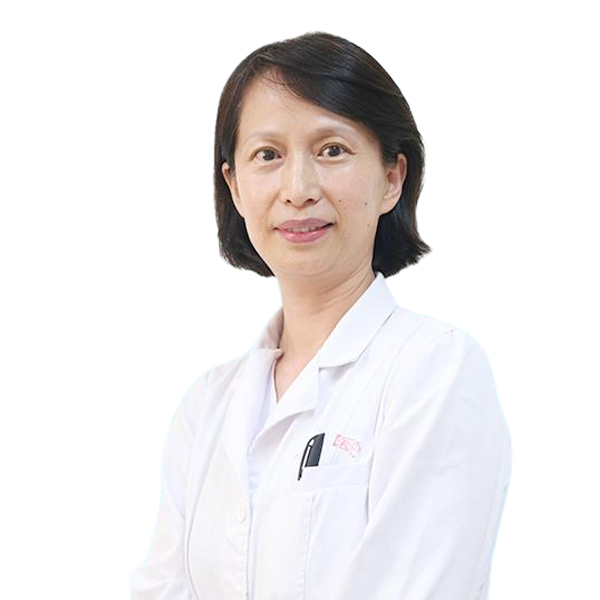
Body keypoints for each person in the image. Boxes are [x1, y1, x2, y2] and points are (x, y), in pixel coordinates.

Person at [130, 31, 511, 600]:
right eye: (267, 155)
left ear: (392, 178)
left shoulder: (435, 372)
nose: (298, 188)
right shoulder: (206, 407)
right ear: (234, 187)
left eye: (332, 150)